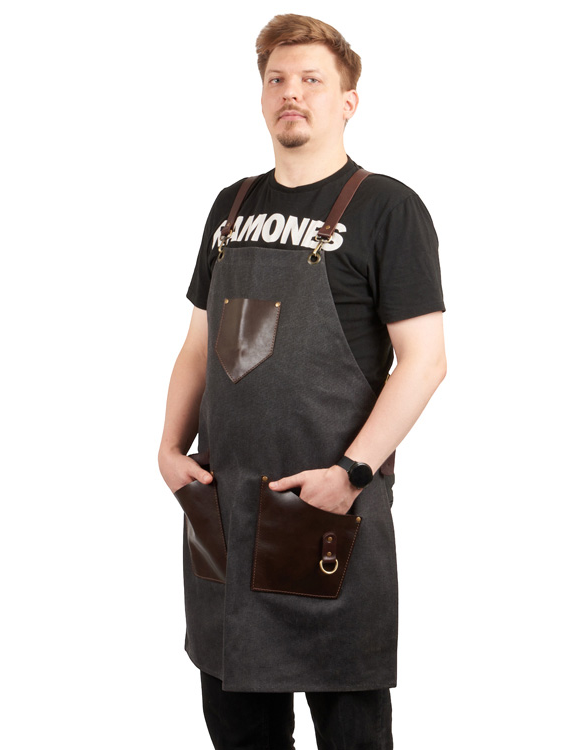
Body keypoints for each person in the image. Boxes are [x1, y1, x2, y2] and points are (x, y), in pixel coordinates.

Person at [158, 14, 445, 749]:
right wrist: (168, 449)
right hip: (225, 512)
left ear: (348, 101)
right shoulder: (231, 206)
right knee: (238, 731)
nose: (292, 92)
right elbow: (198, 346)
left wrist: (352, 473)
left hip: (327, 514)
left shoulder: (388, 208)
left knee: (351, 732)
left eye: (312, 80)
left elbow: (424, 361)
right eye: (277, 80)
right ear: (261, 97)